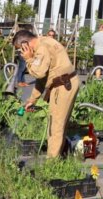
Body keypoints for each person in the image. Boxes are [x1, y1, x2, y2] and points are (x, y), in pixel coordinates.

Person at [16, 29, 80, 158]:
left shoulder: (41, 49)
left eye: (20, 49)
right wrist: (32, 99)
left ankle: (51, 163)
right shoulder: (45, 41)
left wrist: (28, 59)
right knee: (60, 123)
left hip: (62, 86)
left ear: (25, 44)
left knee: (55, 126)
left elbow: (38, 73)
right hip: (67, 83)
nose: (21, 53)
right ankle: (60, 154)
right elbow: (44, 77)